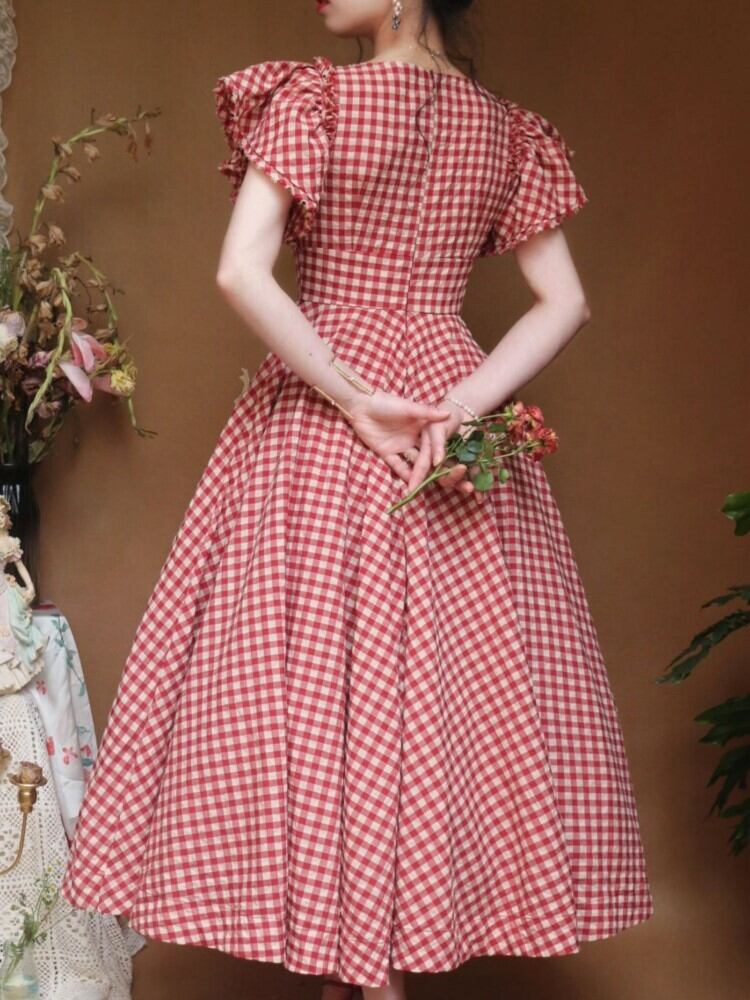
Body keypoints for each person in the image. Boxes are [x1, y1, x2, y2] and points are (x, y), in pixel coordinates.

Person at [59, 2, 655, 999]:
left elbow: (241, 270)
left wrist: (351, 395)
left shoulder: (317, 101)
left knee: (319, 687)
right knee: (438, 694)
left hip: (332, 409)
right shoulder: (509, 130)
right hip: (445, 412)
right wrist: (461, 408)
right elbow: (567, 301)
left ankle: (363, 979)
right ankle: (371, 975)